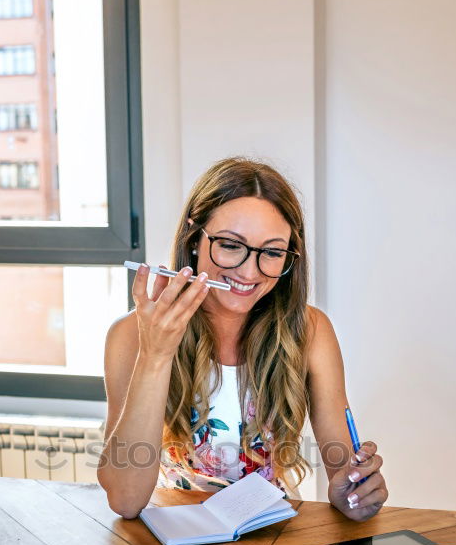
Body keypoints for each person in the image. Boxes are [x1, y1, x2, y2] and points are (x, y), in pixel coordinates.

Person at [99, 157, 388, 521]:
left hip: (269, 535)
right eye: (231, 245)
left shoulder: (311, 331)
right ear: (194, 238)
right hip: (171, 536)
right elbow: (124, 501)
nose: (249, 272)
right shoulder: (131, 334)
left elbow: (345, 475)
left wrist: (355, 494)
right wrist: (156, 355)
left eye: (271, 252)